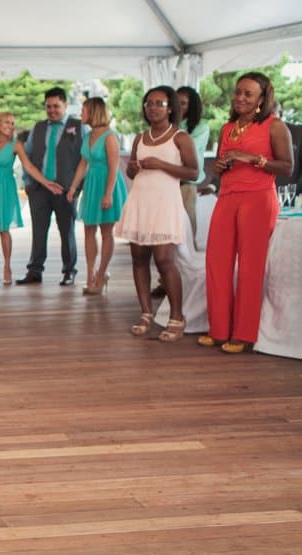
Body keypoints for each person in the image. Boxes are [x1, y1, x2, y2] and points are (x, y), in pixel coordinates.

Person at [200, 72, 294, 354]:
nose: (240, 97)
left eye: (248, 94)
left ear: (262, 99)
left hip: (258, 199)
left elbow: (288, 167)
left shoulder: (275, 127)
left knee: (251, 268)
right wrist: (218, 169)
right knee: (216, 263)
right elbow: (220, 164)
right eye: (238, 92)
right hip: (227, 197)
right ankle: (218, 329)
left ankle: (243, 334)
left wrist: (254, 159)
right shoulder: (227, 128)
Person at [115, 86, 198, 342]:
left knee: (164, 260)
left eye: (159, 103)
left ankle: (176, 317)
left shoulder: (180, 137)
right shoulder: (140, 138)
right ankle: (146, 313)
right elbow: (132, 174)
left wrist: (161, 164)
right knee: (139, 258)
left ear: (171, 108)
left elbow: (194, 173)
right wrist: (132, 168)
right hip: (141, 201)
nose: (152, 108)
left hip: (165, 203)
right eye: (148, 103)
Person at [0, 112, 60, 284]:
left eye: (12, 123)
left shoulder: (16, 145)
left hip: (5, 187)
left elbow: (29, 167)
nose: (11, 126)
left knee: (4, 228)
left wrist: (47, 183)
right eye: (7, 122)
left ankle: (7, 266)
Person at [16, 86, 85, 286]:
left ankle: (69, 271)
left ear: (65, 105)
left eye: (56, 106)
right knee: (38, 231)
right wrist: (28, 183)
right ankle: (34, 270)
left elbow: (85, 159)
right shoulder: (38, 128)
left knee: (67, 231)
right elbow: (27, 157)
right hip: (39, 189)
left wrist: (76, 187)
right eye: (48, 106)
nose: (52, 110)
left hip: (66, 190)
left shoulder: (80, 127)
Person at [151, 86, 210, 299]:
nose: (179, 106)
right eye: (177, 102)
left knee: (184, 235)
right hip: (164, 186)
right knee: (162, 235)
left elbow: (184, 153)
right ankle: (164, 281)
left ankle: (186, 281)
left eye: (184, 103)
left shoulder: (200, 128)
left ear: (192, 106)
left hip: (185, 185)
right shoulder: (165, 127)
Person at [66, 97, 127, 295]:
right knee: (88, 230)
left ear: (94, 112)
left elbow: (114, 167)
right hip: (92, 183)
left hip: (107, 183)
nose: (81, 115)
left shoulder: (110, 136)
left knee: (106, 231)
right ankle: (90, 272)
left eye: (84, 111)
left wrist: (108, 194)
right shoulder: (88, 135)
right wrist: (73, 187)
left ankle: (102, 273)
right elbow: (83, 164)